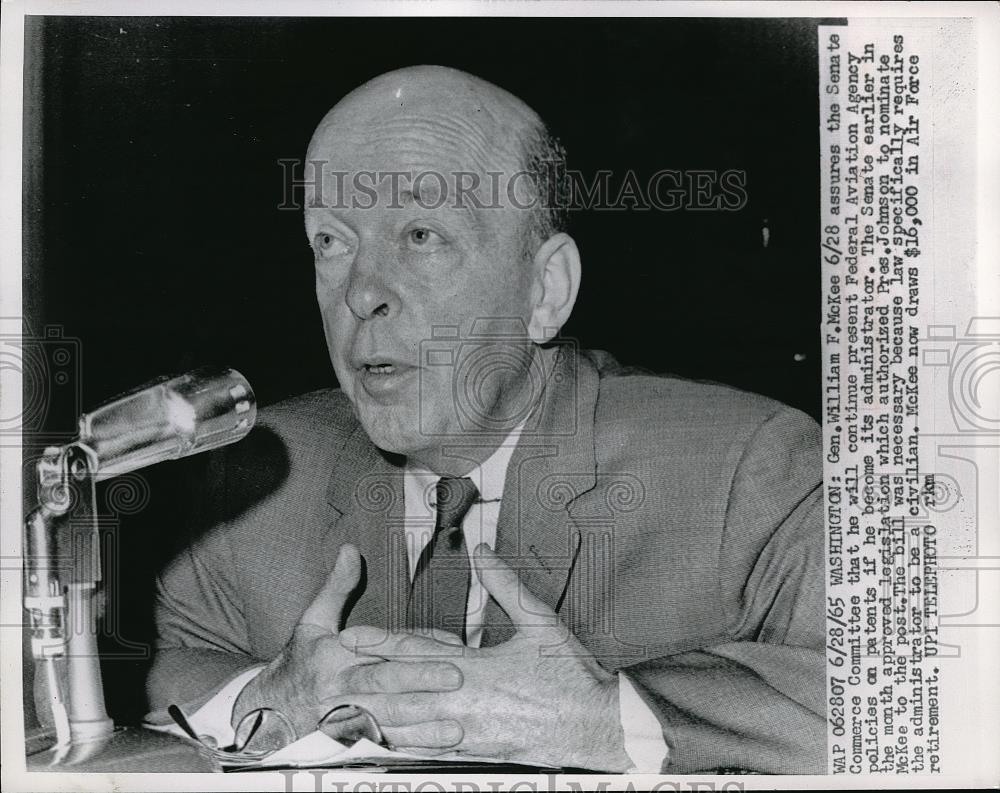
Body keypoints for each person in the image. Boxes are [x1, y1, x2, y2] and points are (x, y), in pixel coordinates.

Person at [146, 65, 825, 774]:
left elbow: (897, 700)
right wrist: (269, 694)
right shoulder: (253, 478)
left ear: (544, 289)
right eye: (331, 241)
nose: (363, 293)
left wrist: (604, 719)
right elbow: (157, 670)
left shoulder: (745, 468)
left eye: (420, 234)